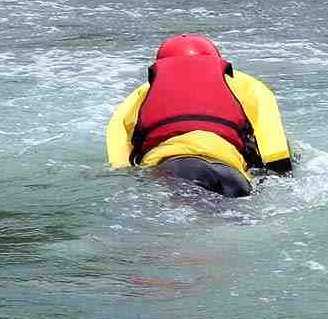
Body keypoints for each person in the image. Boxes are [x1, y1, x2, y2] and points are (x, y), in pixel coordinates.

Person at [105, 34, 293, 197]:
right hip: (229, 174)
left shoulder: (141, 94)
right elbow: (276, 151)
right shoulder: (248, 85)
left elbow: (119, 162)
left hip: (170, 171)